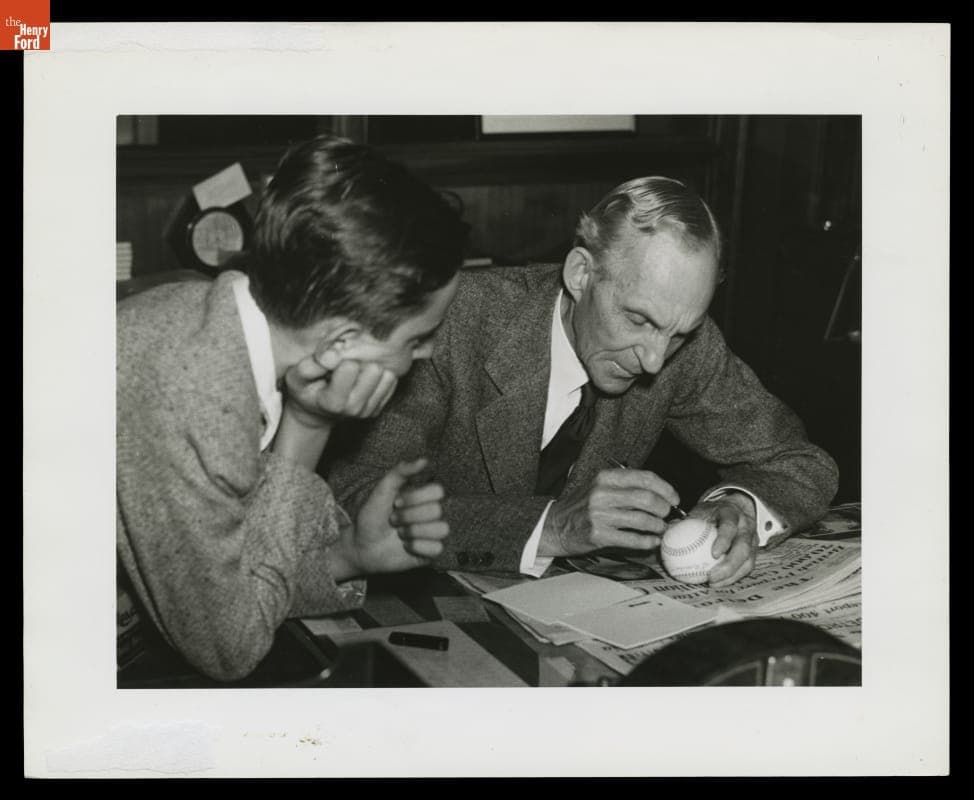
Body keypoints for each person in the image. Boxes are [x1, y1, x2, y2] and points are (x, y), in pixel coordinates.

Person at [327, 176, 839, 587]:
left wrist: (739, 504)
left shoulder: (684, 343)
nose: (657, 360)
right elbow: (355, 498)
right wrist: (550, 527)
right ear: (580, 274)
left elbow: (802, 464)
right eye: (638, 319)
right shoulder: (452, 324)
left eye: (680, 332)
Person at [116, 135, 468, 682]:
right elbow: (229, 649)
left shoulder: (223, 326)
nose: (429, 352)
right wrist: (310, 426)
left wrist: (347, 554)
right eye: (420, 336)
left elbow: (239, 588)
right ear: (340, 344)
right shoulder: (195, 397)